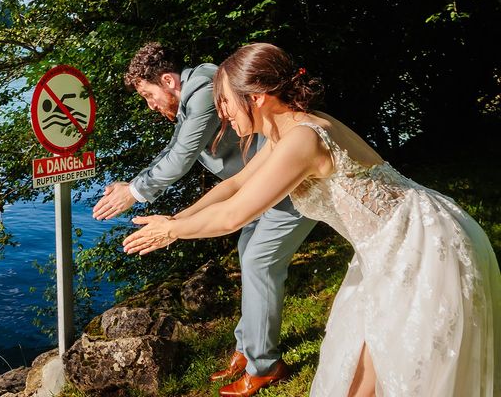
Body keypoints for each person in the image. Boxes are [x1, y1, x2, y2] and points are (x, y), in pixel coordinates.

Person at [123, 42, 501, 397]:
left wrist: (172, 231)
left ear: (256, 98)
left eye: (224, 101)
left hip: (422, 247)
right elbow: (236, 184)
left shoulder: (304, 140)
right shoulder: (286, 133)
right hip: (389, 248)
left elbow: (235, 214)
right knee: (361, 371)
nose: (220, 112)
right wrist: (175, 217)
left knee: (406, 372)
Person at [93, 42, 316, 396]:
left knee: (259, 260)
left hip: (285, 182)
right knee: (249, 254)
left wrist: (137, 196)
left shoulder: (205, 90)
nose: (150, 105)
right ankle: (248, 349)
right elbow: (184, 153)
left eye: (149, 95)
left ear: (167, 80)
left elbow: (183, 156)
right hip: (256, 182)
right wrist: (154, 200)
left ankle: (265, 366)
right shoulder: (194, 96)